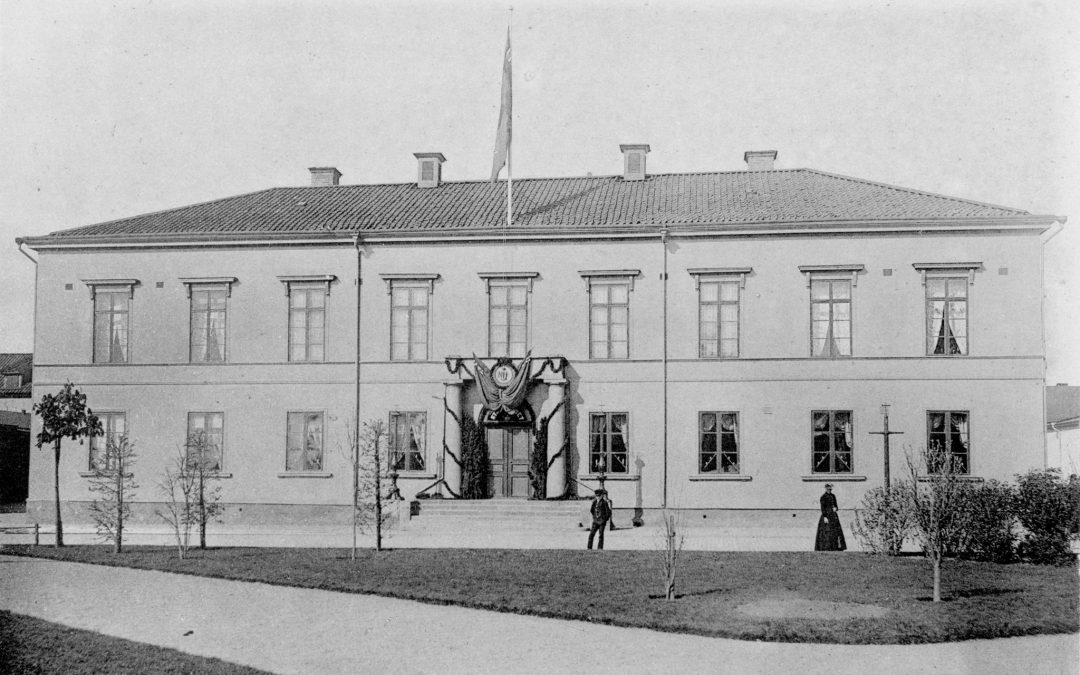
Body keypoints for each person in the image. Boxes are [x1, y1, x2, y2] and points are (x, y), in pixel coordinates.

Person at [814, 484, 847, 551]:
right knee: (827, 532)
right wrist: (825, 517)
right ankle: (826, 547)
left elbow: (836, 505)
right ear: (825, 489)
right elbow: (822, 508)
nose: (829, 490)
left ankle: (835, 547)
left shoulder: (833, 496)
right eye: (828, 489)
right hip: (826, 516)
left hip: (833, 516)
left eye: (830, 489)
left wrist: (836, 508)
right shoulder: (823, 497)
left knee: (835, 531)